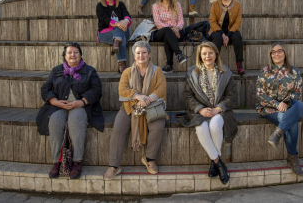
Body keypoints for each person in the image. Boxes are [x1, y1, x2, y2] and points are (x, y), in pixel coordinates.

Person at [36, 42, 103, 180]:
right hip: (59, 106)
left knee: (76, 121)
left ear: (80, 54)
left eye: (76, 52)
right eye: (69, 52)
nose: (72, 55)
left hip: (81, 106)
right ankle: (57, 162)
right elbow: (45, 88)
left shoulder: (89, 71)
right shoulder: (56, 70)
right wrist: (55, 102)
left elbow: (96, 91)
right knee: (54, 121)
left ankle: (77, 162)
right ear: (65, 56)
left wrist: (82, 101)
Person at [104, 41, 167, 180]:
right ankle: (114, 165)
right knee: (118, 127)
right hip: (131, 105)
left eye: (144, 52)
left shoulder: (157, 71)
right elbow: (123, 89)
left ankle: (149, 158)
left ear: (149, 54)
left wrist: (147, 100)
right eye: (138, 53)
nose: (141, 55)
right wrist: (138, 97)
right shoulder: (127, 72)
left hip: (152, 106)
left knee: (158, 126)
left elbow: (161, 89)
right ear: (134, 55)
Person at [181, 41, 238, 185]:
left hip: (220, 110)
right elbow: (188, 95)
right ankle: (219, 163)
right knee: (201, 128)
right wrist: (200, 109)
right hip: (200, 111)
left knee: (215, 125)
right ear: (200, 56)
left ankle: (214, 163)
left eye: (210, 53)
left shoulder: (226, 72)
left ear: (216, 54)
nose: (207, 56)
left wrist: (218, 109)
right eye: (204, 53)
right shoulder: (193, 73)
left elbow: (231, 96)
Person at [256, 42, 303, 176]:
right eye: (273, 52)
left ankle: (278, 133)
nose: (276, 54)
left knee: (300, 105)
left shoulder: (294, 71)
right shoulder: (265, 71)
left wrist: (285, 102)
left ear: (285, 53)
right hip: (269, 109)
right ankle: (292, 158)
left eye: (279, 51)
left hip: (288, 106)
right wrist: (277, 104)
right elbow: (260, 95)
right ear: (270, 55)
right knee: (292, 123)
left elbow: (297, 93)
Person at [208, 0, 245, 75]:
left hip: (231, 31)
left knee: (237, 37)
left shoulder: (237, 5)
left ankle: (239, 64)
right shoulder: (215, 4)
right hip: (217, 30)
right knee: (217, 37)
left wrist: (228, 35)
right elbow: (212, 21)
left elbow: (238, 22)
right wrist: (222, 34)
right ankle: (214, 64)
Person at [96, 0, 132, 73]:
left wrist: (125, 21)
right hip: (105, 33)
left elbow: (127, 15)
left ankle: (116, 41)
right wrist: (117, 24)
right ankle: (122, 64)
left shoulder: (120, 4)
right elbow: (105, 19)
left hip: (122, 30)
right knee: (121, 38)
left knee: (120, 30)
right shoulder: (100, 6)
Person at [151, 0, 186, 73]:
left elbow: (181, 20)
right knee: (167, 31)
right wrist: (171, 28)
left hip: (176, 32)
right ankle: (179, 53)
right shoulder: (156, 6)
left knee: (168, 36)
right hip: (161, 32)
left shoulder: (177, 5)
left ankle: (169, 65)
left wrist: (177, 28)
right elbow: (158, 23)